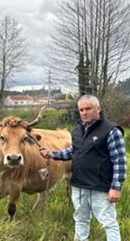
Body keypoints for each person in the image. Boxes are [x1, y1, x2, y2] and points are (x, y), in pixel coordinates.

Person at [39, 94, 126, 241]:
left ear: (98, 108)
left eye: (88, 109)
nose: (84, 112)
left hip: (101, 187)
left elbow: (119, 161)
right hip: (79, 185)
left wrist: (116, 187)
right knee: (80, 220)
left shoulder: (111, 131)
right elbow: (73, 152)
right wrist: (52, 153)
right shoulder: (77, 131)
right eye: (81, 110)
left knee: (109, 223)